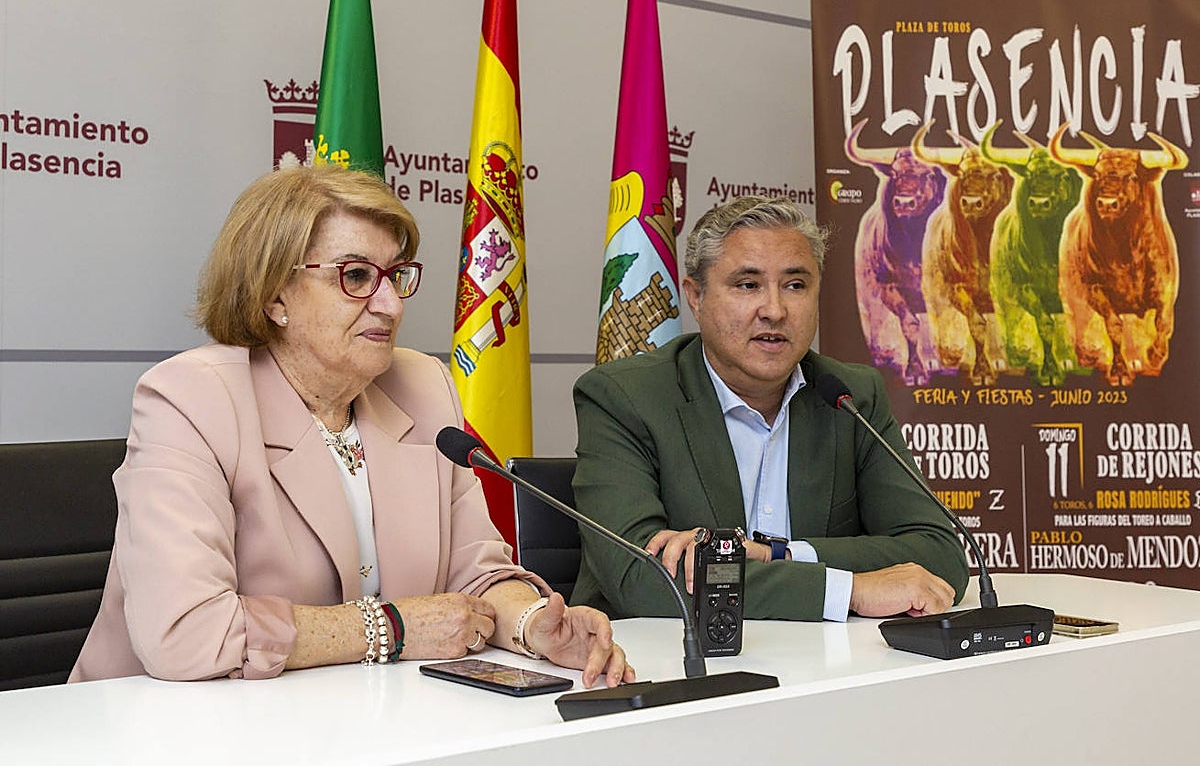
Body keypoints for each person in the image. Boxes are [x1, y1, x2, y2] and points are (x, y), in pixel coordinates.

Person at [71, 165, 633, 687]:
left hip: (358, 723)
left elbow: (477, 572)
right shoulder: (191, 399)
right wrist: (390, 627)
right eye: (357, 276)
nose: (389, 304)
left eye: (396, 276)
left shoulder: (425, 386)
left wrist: (534, 625)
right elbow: (185, 633)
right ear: (275, 296)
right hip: (170, 731)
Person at [570, 195, 969, 622]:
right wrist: (847, 589)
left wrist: (778, 554)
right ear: (696, 297)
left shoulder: (850, 396)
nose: (775, 311)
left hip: (829, 664)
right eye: (748, 285)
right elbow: (641, 579)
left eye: (795, 286)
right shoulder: (623, 397)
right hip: (663, 667)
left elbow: (940, 555)